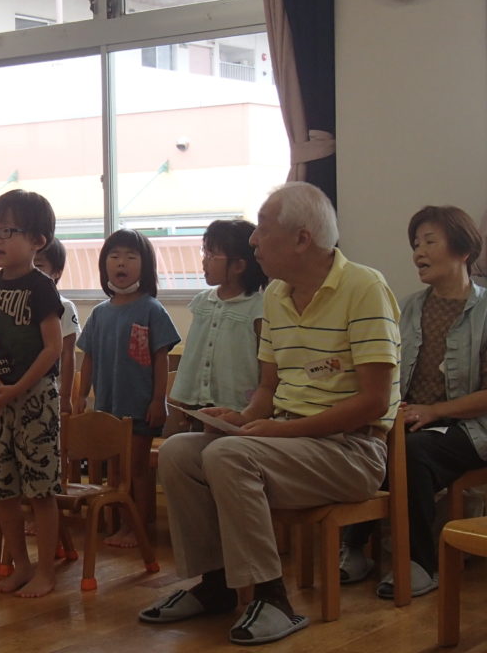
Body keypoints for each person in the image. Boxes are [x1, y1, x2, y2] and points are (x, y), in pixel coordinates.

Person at [139, 182, 400, 646]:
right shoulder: (276, 295)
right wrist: (241, 418)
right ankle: (216, 584)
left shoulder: (364, 287)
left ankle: (272, 597)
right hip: (289, 443)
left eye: (262, 228)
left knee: (229, 456)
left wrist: (278, 432)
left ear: (302, 238)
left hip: (353, 451)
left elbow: (374, 402)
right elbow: (267, 387)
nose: (254, 240)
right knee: (179, 452)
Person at [341, 205, 487, 598]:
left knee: (413, 451)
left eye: (429, 242)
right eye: (415, 244)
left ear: (463, 249)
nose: (418, 252)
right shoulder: (404, 308)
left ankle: (420, 562)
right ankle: (354, 547)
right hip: (412, 420)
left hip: (471, 426)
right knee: (366, 439)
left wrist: (435, 411)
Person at [0, 189, 63, 598]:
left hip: (35, 398)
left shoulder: (41, 287)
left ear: (38, 240)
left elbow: (53, 348)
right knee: (1, 485)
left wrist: (18, 389)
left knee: (40, 488)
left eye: (8, 231)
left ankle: (46, 571)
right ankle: (20, 565)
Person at [75, 229, 180, 547]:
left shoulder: (151, 309)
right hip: (107, 409)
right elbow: (88, 359)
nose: (122, 263)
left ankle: (139, 527)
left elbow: (161, 358)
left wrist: (159, 400)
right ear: (104, 265)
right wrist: (80, 397)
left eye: (131, 257)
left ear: (145, 266)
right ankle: (120, 524)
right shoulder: (99, 313)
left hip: (139, 408)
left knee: (137, 469)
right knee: (116, 471)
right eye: (115, 256)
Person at [165, 219, 268, 436]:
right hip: (199, 403)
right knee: (195, 445)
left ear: (239, 266)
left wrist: (256, 406)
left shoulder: (258, 308)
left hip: (238, 406)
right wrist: (184, 395)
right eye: (204, 253)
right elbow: (193, 353)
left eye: (211, 256)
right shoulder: (202, 302)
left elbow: (264, 363)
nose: (204, 262)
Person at [34, 238, 80, 414]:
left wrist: (66, 396)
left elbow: (68, 353)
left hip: (51, 392)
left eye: (39, 266)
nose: (32, 271)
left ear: (57, 272)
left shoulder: (64, 306)